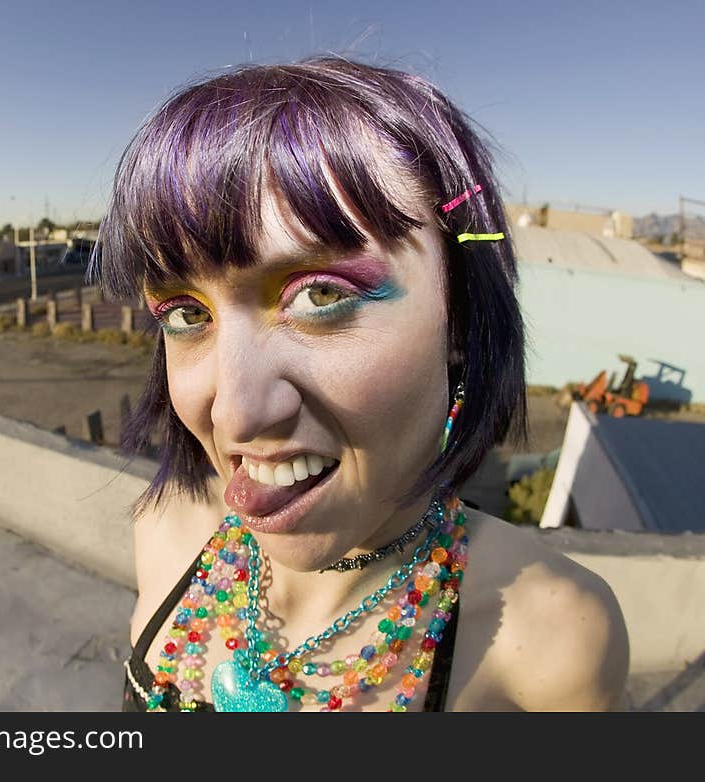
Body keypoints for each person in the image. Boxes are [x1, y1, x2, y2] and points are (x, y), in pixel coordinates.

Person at [89, 56, 630, 712]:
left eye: (320, 293)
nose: (235, 413)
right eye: (187, 313)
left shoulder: (554, 640)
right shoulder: (163, 531)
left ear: (459, 316)